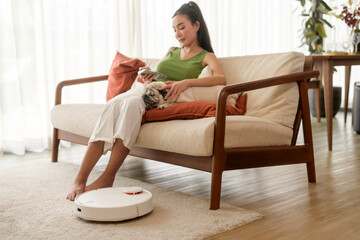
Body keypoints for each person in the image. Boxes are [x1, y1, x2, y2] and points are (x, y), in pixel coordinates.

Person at [66, 1, 226, 201]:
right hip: (146, 90)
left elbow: (221, 78)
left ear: (196, 25)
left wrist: (186, 82)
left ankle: (107, 177)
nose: (178, 33)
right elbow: (157, 76)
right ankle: (80, 179)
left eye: (182, 27)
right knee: (115, 105)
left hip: (161, 98)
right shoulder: (171, 50)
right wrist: (147, 77)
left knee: (131, 105)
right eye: (175, 29)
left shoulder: (206, 56)